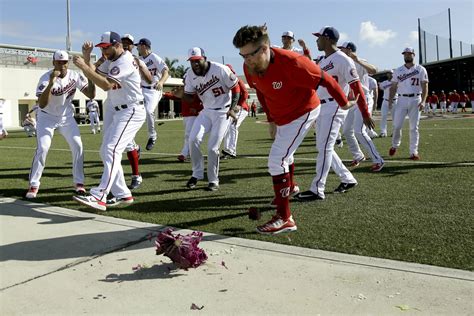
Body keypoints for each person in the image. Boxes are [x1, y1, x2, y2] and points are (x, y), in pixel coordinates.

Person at [232, 25, 358, 234]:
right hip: (283, 116)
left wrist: (344, 103)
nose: (247, 61)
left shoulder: (293, 63)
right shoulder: (250, 67)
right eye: (242, 55)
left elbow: (325, 79)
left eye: (250, 55)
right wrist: (271, 120)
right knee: (284, 155)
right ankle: (290, 187)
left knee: (276, 160)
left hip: (304, 110)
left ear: (264, 48)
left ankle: (285, 218)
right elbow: (262, 93)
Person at [296, 26, 373, 203]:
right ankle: (348, 178)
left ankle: (317, 189)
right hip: (322, 108)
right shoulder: (323, 60)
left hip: (335, 107)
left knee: (325, 147)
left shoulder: (343, 59)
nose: (317, 40)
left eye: (319, 37)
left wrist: (365, 113)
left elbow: (356, 87)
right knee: (323, 147)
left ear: (328, 39)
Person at [72, 31, 146, 210]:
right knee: (106, 150)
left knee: (112, 149)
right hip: (120, 110)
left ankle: (100, 195)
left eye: (106, 47)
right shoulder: (112, 60)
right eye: (102, 48)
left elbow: (106, 85)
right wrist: (88, 57)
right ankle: (123, 193)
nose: (104, 52)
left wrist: (83, 66)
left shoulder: (125, 61)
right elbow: (95, 73)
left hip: (132, 110)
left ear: (117, 45)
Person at [25, 50, 96, 199]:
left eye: (64, 62)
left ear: (68, 63)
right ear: (53, 63)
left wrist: (89, 75)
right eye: (59, 62)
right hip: (46, 117)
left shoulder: (74, 76)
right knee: (43, 148)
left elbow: (91, 94)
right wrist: (51, 82)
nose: (62, 65)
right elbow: (43, 104)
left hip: (66, 118)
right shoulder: (45, 78)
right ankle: (34, 184)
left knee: (78, 145)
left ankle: (79, 183)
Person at [172, 47, 240, 191]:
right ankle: (197, 174)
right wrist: (182, 95)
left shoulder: (219, 69)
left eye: (197, 61)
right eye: (192, 61)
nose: (195, 64)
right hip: (207, 111)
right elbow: (190, 98)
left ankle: (213, 180)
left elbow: (236, 88)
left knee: (212, 147)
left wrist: (233, 108)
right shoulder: (190, 74)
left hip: (223, 111)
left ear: (204, 58)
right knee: (193, 139)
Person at [339, 41, 384, 172]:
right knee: (347, 130)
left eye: (342, 49)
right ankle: (358, 156)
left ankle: (378, 160)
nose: (340, 50)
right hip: (352, 101)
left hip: (364, 98)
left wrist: (357, 59)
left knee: (359, 130)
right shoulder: (341, 63)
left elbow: (374, 70)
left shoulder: (359, 61)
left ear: (349, 50)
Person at [121, 34, 154, 189]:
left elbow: (149, 80)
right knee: (108, 147)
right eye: (123, 43)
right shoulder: (112, 60)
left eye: (129, 44)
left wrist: (140, 65)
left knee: (123, 145)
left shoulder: (136, 61)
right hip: (113, 107)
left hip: (131, 107)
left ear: (133, 46)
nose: (126, 45)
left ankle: (136, 176)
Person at [388, 47, 429, 160]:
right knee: (396, 125)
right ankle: (395, 145)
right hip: (401, 100)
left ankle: (413, 152)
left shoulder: (421, 69)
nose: (407, 56)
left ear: (413, 55)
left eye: (409, 54)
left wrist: (424, 100)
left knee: (414, 127)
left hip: (416, 99)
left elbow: (425, 86)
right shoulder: (398, 70)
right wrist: (390, 100)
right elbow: (393, 87)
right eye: (405, 54)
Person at [135, 38, 169, 151]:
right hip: (142, 89)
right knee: (134, 111)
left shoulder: (154, 57)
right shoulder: (138, 59)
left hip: (154, 89)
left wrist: (161, 82)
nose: (137, 47)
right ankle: (131, 143)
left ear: (144, 46)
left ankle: (152, 136)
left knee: (149, 111)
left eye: (138, 46)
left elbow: (166, 72)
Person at [163, 81, 203, 163]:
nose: (184, 81)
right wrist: (164, 94)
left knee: (189, 135)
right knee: (189, 136)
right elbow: (176, 96)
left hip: (193, 115)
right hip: (186, 115)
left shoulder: (196, 88)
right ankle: (187, 154)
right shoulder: (185, 89)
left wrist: (198, 109)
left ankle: (185, 154)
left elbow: (204, 100)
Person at [221, 64, 250, 159]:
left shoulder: (236, 79)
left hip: (242, 108)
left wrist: (239, 104)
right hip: (232, 109)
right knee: (227, 127)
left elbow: (245, 92)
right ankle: (226, 150)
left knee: (233, 126)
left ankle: (232, 150)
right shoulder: (224, 81)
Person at [378, 70, 397, 137]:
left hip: (394, 101)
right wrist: (380, 84)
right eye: (388, 73)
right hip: (385, 101)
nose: (390, 74)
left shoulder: (396, 82)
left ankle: (395, 132)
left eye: (391, 73)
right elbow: (381, 88)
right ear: (387, 75)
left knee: (395, 117)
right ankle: (383, 132)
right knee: (383, 116)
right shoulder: (384, 82)